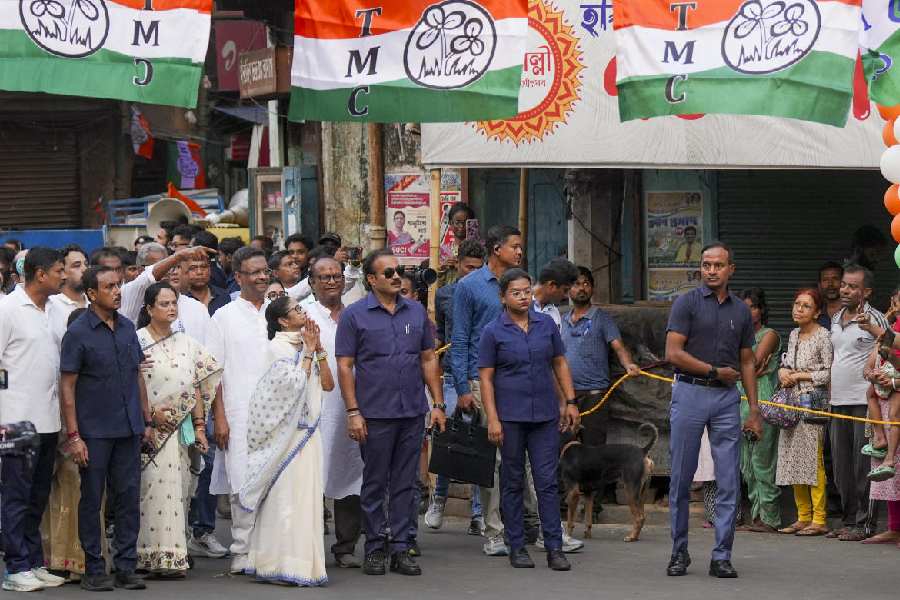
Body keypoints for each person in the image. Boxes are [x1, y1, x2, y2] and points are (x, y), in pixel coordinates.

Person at [336, 249, 446, 577]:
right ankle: (374, 547)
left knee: (405, 483)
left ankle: (400, 548)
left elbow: (428, 358)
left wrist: (437, 404)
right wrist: (353, 412)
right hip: (374, 413)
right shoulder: (354, 315)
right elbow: (345, 366)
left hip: (412, 410)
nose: (397, 277)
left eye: (398, 271)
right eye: (388, 273)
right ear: (371, 280)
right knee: (374, 482)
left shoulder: (415, 312)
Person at [664, 241, 763, 579]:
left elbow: (748, 361)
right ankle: (679, 553)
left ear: (730, 269)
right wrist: (711, 371)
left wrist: (754, 410)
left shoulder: (740, 311)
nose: (711, 270)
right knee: (680, 478)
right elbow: (674, 353)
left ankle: (722, 555)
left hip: (725, 399)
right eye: (706, 265)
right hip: (690, 392)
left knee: (728, 479)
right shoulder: (686, 303)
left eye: (718, 265)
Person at [478, 268, 579, 572]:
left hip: (544, 416)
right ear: (503, 297)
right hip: (509, 417)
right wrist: (492, 418)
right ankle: (517, 545)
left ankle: (554, 548)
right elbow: (485, 379)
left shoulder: (545, 324)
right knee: (512, 480)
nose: (523, 297)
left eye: (526, 292)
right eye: (515, 293)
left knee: (547, 481)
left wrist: (569, 401)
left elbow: (559, 363)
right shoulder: (493, 332)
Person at [60, 266, 153, 592]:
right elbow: (67, 386)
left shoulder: (128, 327)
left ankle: (126, 566)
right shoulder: (78, 333)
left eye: (119, 285)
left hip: (128, 428)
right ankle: (94, 567)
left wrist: (145, 419)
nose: (117, 291)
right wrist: (74, 436)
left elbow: (136, 374)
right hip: (94, 431)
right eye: (110, 286)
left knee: (128, 498)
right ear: (92, 293)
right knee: (92, 500)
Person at [238, 296, 334, 585]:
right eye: (297, 309)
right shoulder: (277, 347)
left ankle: (304, 566)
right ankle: (274, 563)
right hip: (285, 437)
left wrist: (318, 351)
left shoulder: (309, 343)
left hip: (308, 435)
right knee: (284, 499)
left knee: (306, 499)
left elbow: (327, 385)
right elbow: (290, 389)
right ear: (282, 320)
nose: (303, 312)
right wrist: (307, 351)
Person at [135, 283, 222, 577]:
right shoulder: (137, 342)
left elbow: (198, 384)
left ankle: (175, 556)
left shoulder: (187, 343)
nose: (171, 308)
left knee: (181, 493)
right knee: (153, 494)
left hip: (181, 431)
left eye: (174, 303)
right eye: (164, 304)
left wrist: (200, 426)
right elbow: (127, 385)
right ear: (149, 309)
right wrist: (148, 416)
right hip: (151, 433)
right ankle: (150, 556)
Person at [450, 225, 525, 556]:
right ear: (497, 249)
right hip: (482, 381)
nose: (520, 252)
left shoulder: (520, 284)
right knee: (492, 458)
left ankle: (531, 525)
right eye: (515, 246)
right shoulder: (468, 286)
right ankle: (494, 530)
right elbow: (461, 338)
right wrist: (462, 387)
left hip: (518, 380)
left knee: (523, 455)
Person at [0, 248, 67, 592]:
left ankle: (33, 561)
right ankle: (14, 568)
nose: (64, 276)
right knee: (15, 497)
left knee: (38, 496)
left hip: (49, 420)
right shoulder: (8, 309)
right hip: (15, 422)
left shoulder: (54, 309)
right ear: (40, 274)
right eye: (59, 271)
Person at [206, 247, 272, 574]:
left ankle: (271, 550)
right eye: (255, 272)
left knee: (275, 479)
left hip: (278, 414)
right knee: (242, 479)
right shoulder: (224, 316)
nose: (262, 277)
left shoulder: (279, 310)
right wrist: (220, 416)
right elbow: (213, 371)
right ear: (238, 277)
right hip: (238, 411)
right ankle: (242, 550)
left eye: (265, 271)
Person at [306, 256, 365, 568]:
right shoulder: (304, 315)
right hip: (316, 409)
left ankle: (345, 547)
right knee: (312, 477)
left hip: (353, 407)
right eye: (324, 277)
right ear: (313, 282)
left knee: (350, 475)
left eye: (336, 276)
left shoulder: (356, 314)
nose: (331, 281)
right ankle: (311, 545)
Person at [426, 239, 486, 535]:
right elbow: (440, 335)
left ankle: (478, 512)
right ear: (458, 264)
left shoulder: (491, 292)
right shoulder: (446, 295)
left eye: (478, 267)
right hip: (452, 375)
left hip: (481, 375)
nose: (472, 272)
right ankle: (438, 499)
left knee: (479, 443)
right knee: (448, 439)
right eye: (468, 267)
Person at [828, 264, 889, 541]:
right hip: (837, 401)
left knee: (864, 466)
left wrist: (874, 330)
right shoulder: (836, 316)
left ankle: (866, 523)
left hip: (866, 402)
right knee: (841, 467)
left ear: (867, 291)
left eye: (852, 286)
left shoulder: (876, 318)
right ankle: (848, 519)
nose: (845, 290)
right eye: (844, 284)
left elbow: (889, 350)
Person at [772, 289, 833, 536]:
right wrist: (782, 372)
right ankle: (802, 516)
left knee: (813, 461)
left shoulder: (823, 336)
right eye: (797, 304)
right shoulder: (794, 334)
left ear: (817, 312)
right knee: (793, 460)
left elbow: (828, 372)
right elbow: (787, 363)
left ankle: (819, 519)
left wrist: (799, 375)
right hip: (792, 403)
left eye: (806, 306)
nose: (799, 309)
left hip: (813, 403)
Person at [561, 266, 640, 446]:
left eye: (586, 284)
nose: (582, 288)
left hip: (594, 396)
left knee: (593, 452)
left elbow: (619, 347)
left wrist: (628, 365)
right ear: (567, 290)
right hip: (567, 396)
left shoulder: (602, 318)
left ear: (592, 289)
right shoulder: (561, 320)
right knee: (564, 451)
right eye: (576, 284)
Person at [732, 288, 783, 533]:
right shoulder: (739, 336)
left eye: (751, 307)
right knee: (746, 464)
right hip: (739, 400)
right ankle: (756, 515)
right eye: (742, 307)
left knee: (763, 461)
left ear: (761, 310)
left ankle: (769, 518)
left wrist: (744, 365)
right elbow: (744, 365)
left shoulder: (769, 334)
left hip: (762, 402)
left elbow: (750, 362)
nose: (747, 312)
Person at [532, 259, 579, 328]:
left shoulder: (554, 313)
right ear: (551, 285)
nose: (567, 296)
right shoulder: (517, 307)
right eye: (565, 290)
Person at [438, 202, 475, 286]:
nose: (461, 226)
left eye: (465, 222)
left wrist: (461, 266)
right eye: (457, 222)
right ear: (451, 223)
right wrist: (442, 268)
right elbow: (436, 285)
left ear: (471, 223)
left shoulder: (478, 249)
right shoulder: (443, 250)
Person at [817, 262, 843, 329]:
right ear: (819, 286)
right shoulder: (813, 314)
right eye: (825, 280)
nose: (830, 284)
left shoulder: (857, 313)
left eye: (835, 279)